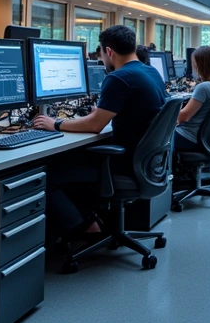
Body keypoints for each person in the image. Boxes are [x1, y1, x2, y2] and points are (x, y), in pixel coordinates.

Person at [32, 25, 167, 237]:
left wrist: (55, 124)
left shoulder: (118, 77)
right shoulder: (150, 71)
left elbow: (95, 126)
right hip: (147, 162)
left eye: (102, 54)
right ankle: (90, 222)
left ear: (109, 51)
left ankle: (87, 229)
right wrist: (101, 113)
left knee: (46, 174)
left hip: (125, 163)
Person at [174, 46, 210, 151]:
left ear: (200, 65)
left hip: (189, 137)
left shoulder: (204, 87)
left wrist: (164, 115)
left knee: (153, 136)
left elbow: (183, 117)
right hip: (209, 138)